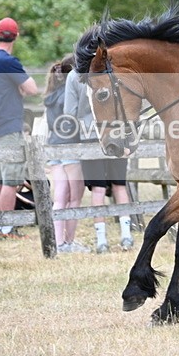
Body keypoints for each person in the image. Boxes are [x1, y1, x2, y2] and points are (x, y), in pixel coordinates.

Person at [64, 67, 133, 254]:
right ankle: (127, 235)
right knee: (120, 185)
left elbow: (69, 111)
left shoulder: (74, 76)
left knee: (98, 189)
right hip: (116, 132)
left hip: (89, 135)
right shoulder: (112, 71)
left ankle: (101, 240)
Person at [0, 17, 39, 239]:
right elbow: (32, 88)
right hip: (7, 126)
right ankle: (7, 228)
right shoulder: (8, 61)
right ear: (16, 36)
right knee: (11, 181)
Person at [44, 55, 89, 253]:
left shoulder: (50, 95)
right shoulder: (69, 92)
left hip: (54, 144)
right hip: (70, 144)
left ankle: (59, 242)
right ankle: (67, 242)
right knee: (75, 196)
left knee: (60, 196)